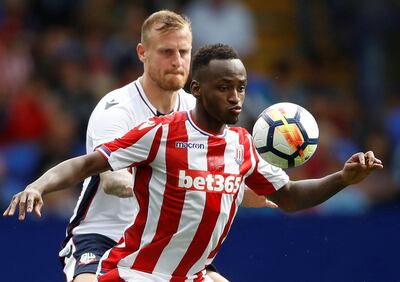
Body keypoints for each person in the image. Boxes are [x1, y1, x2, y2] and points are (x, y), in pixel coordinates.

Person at [4, 43, 383, 281]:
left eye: (241, 87)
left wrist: (343, 179)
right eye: (224, 87)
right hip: (136, 273)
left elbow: (289, 196)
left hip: (192, 274)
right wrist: (37, 185)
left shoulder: (241, 144)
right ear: (197, 90)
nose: (236, 97)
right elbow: (85, 165)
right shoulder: (161, 133)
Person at [2, 10, 269, 282]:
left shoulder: (197, 110)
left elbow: (215, 178)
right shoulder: (116, 110)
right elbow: (111, 179)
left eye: (184, 52)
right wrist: (164, 179)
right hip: (104, 237)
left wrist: (248, 192)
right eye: (166, 52)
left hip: (163, 246)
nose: (177, 61)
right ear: (142, 53)